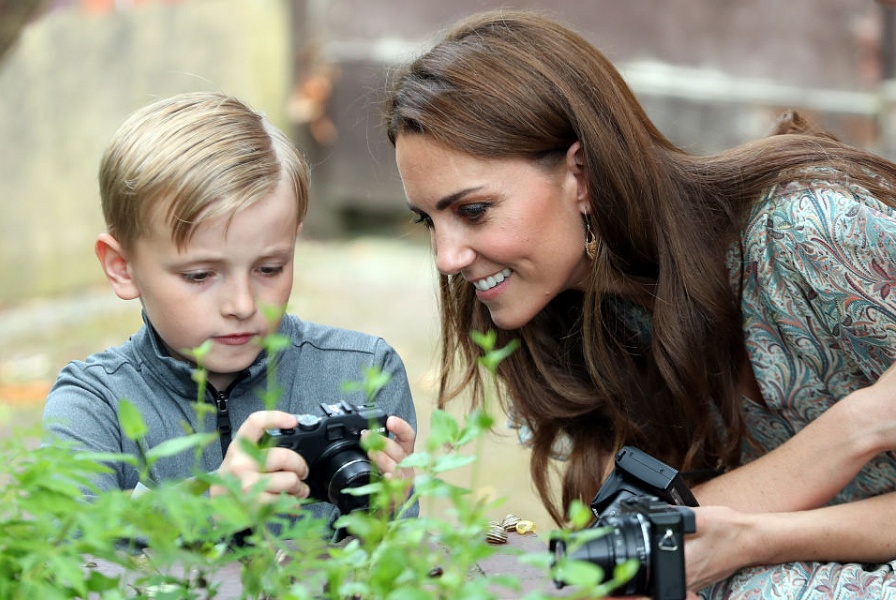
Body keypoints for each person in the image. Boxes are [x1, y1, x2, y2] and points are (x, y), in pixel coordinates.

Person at [384, 9, 896, 598]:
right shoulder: (544, 325)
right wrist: (856, 428)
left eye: (472, 211)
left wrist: (753, 542)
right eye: (429, 220)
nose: (447, 257)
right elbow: (644, 548)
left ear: (581, 174)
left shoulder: (810, 232)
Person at [43, 91, 418, 535]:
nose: (242, 305)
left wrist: (382, 517)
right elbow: (66, 554)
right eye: (200, 275)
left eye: (269, 268)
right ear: (122, 268)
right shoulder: (93, 404)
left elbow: (398, 567)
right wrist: (205, 508)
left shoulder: (363, 370)